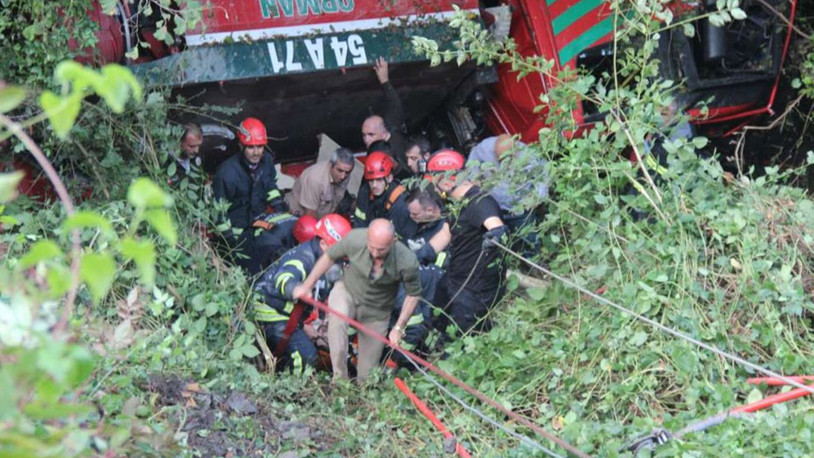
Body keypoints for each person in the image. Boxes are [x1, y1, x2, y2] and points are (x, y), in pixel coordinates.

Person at [292, 218, 421, 382]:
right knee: (338, 320)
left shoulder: (407, 261)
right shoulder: (355, 239)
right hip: (346, 289)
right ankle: (339, 379)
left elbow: (413, 294)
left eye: (380, 250)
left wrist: (398, 327)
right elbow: (329, 257)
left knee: (366, 375)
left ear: (393, 242)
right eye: (371, 247)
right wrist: (307, 285)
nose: (375, 253)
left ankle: (361, 387)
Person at [425, 149, 509, 341]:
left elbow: (497, 227)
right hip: (456, 279)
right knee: (439, 314)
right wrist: (424, 252)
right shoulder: (457, 203)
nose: (434, 189)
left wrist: (495, 236)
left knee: (464, 337)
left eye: (434, 182)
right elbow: (447, 231)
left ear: (445, 180)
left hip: (475, 288)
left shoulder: (479, 202)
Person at [255, 214, 352, 373]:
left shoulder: (327, 260)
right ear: (324, 244)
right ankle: (292, 390)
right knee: (305, 356)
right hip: (270, 310)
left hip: (290, 314)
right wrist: (296, 289)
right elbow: (283, 278)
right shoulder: (304, 258)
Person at [213, 117, 287, 275]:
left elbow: (270, 187)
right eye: (251, 147)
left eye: (260, 146)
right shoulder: (226, 174)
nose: (256, 152)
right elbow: (219, 213)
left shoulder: (266, 161)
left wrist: (279, 209)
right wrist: (231, 243)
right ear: (241, 146)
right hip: (236, 233)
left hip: (257, 223)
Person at [466, 134, 549, 238]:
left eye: (507, 158)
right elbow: (473, 160)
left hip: (520, 211)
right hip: (493, 208)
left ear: (515, 151)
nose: (503, 163)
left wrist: (536, 198)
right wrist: (474, 178)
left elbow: (544, 174)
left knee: (528, 241)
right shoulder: (485, 148)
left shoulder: (527, 155)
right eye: (499, 158)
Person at [351, 151, 416, 238]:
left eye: (379, 180)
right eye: (371, 180)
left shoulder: (400, 202)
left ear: (389, 178)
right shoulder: (365, 192)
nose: (374, 185)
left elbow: (398, 239)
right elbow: (359, 225)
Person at [361, 57, 408, 178]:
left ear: (384, 133)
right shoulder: (373, 151)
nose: (366, 140)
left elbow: (395, 105)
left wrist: (385, 81)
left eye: (371, 134)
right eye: (364, 135)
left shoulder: (395, 139)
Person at [286, 147, 355, 219]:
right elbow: (309, 216)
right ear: (330, 165)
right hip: (299, 214)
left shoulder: (344, 174)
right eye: (339, 170)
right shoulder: (315, 179)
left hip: (323, 216)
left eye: (347, 172)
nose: (343, 176)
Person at [404, 187, 450, 267]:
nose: (411, 216)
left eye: (415, 214)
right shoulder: (412, 220)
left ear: (430, 211)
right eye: (410, 213)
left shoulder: (445, 227)